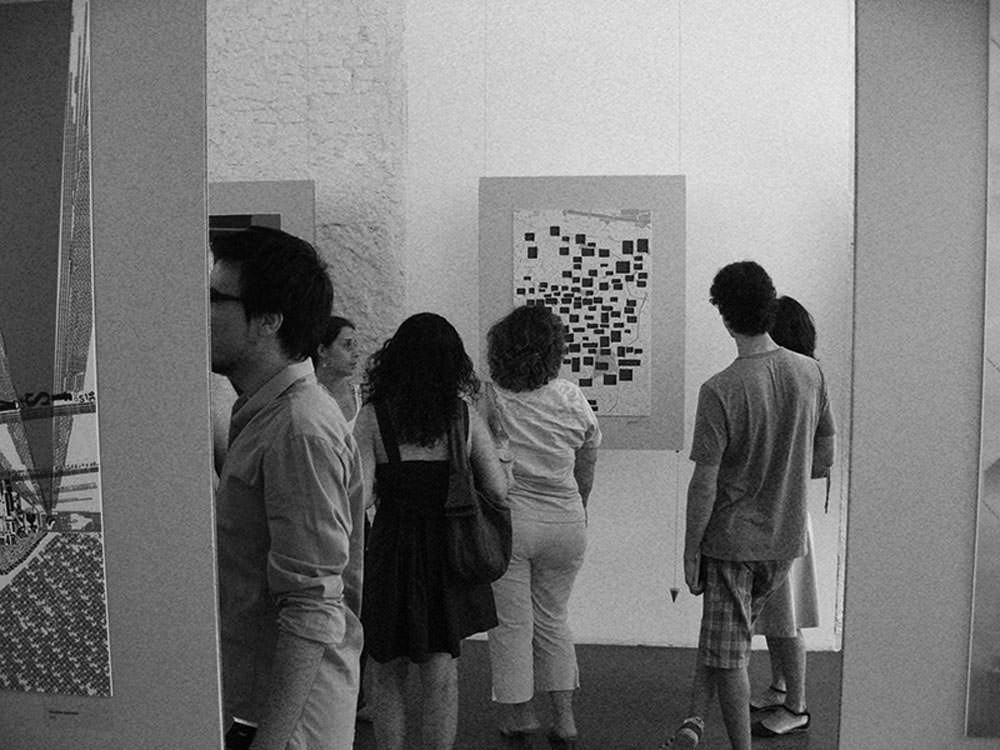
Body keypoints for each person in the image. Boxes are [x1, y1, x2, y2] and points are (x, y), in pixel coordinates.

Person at [659, 262, 835, 750]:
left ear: (724, 316)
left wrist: (691, 551)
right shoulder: (810, 372)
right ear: (769, 305)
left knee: (731, 655)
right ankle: (694, 720)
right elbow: (825, 453)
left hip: (733, 541)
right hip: (784, 540)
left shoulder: (720, 389)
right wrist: (784, 472)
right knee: (726, 639)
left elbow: (705, 484)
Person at [211, 226, 365, 750]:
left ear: (268, 320)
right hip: (265, 700)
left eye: (215, 298)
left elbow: (311, 603)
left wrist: (272, 741)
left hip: (291, 719)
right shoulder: (268, 414)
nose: (201, 312)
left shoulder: (298, 427)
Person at [353, 312, 507, 750]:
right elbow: (498, 489)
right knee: (441, 669)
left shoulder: (373, 417)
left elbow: (359, 496)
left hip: (391, 550)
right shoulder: (462, 417)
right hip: (448, 550)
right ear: (452, 363)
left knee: (386, 667)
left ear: (395, 359)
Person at [483, 304, 601, 750]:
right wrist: (579, 506)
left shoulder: (491, 398)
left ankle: (521, 717)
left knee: (512, 624)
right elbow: (587, 460)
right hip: (566, 521)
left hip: (512, 523)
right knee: (553, 620)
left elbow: (481, 463)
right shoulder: (571, 397)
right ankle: (565, 720)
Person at [748, 295, 825, 737]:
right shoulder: (807, 377)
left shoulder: (799, 381)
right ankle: (780, 687)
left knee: (786, 617)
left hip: (783, 516)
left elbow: (818, 457)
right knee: (776, 614)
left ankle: (796, 706)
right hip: (780, 513)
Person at [313, 315, 362, 426]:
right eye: (347, 345)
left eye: (355, 345)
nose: (356, 353)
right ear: (322, 351)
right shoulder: (307, 398)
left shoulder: (360, 396)